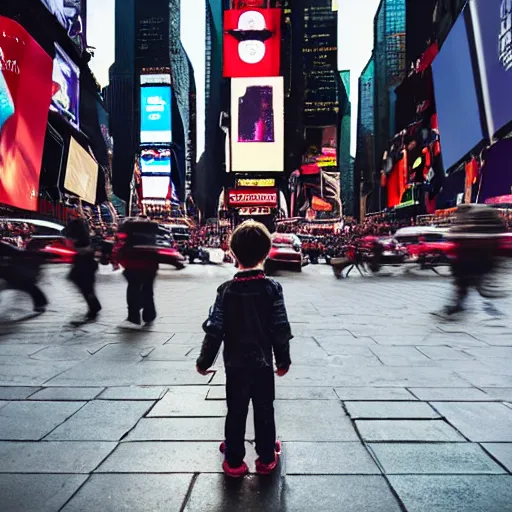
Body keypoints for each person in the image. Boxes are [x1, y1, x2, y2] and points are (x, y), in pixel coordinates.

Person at [196, 220, 292, 477]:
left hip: (235, 366)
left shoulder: (226, 291)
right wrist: (283, 360)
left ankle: (234, 459)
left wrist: (204, 361)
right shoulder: (272, 289)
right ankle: (266, 456)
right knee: (264, 408)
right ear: (266, 253)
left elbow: (215, 328)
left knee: (236, 410)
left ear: (233, 252)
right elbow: (280, 327)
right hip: (262, 364)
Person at [113, 218, 159, 329]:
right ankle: (149, 315)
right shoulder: (151, 229)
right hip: (150, 264)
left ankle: (134, 317)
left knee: (133, 288)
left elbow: (120, 244)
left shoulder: (129, 228)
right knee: (148, 290)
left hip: (134, 264)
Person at [66, 210, 102, 323]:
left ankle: (94, 306)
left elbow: (71, 238)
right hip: (86, 260)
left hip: (84, 261)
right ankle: (94, 305)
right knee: (86, 286)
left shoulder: (78, 225)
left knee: (85, 286)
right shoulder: (83, 225)